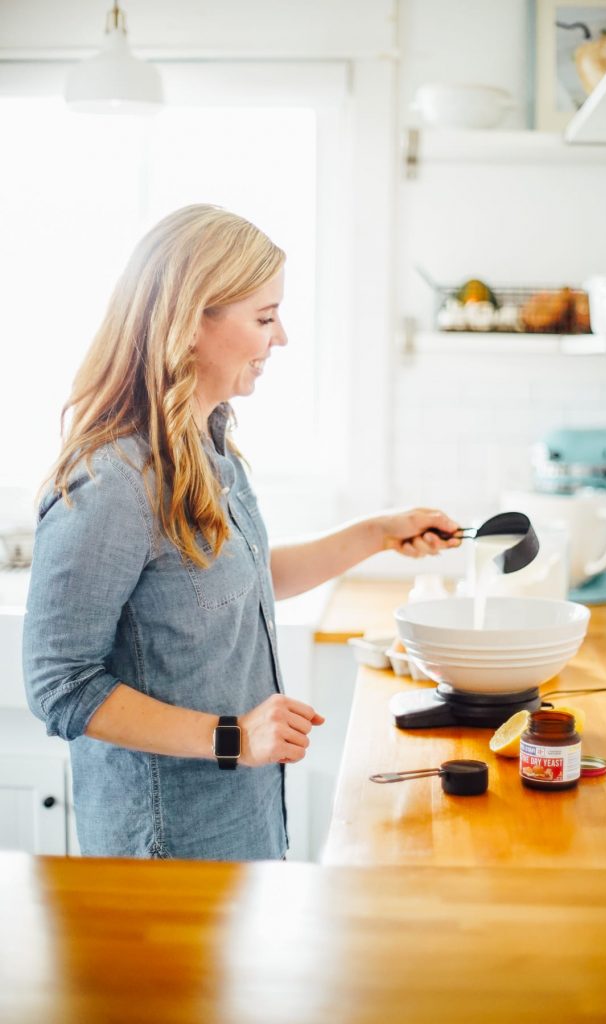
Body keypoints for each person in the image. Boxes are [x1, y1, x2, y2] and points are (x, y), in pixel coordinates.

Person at [23, 204, 461, 861]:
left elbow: (242, 581)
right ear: (190, 323)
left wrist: (377, 531)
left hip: (240, 816)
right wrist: (231, 737)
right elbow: (59, 685)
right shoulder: (112, 483)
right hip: (165, 843)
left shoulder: (206, 443)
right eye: (263, 317)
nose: (279, 337)